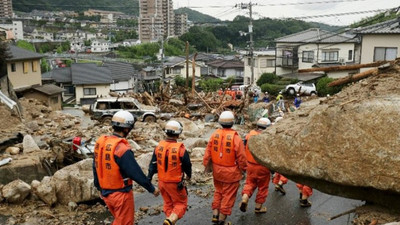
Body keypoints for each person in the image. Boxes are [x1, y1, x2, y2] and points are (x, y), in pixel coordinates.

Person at [93, 110, 159, 225]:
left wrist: (99, 187)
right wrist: (151, 188)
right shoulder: (121, 149)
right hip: (121, 194)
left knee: (119, 220)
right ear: (126, 129)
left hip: (106, 193)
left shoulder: (101, 144)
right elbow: (135, 172)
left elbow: (96, 167)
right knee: (125, 222)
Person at [203, 111, 247, 225]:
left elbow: (208, 152)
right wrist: (244, 169)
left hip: (217, 171)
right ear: (233, 122)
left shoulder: (214, 134)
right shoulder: (236, 138)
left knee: (218, 192)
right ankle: (222, 220)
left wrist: (207, 166)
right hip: (231, 173)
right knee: (228, 195)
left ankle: (215, 215)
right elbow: (241, 157)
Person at [148, 120, 192, 225]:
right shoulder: (180, 149)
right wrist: (189, 176)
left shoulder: (158, 147)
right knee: (181, 204)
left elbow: (152, 165)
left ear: (166, 132)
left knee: (168, 203)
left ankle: (169, 221)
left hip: (162, 182)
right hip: (175, 183)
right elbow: (187, 165)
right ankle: (170, 221)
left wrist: (149, 179)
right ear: (178, 134)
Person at [240, 118, 272, 214]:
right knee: (263, 187)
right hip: (263, 166)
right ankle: (258, 207)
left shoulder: (249, 135)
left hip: (250, 165)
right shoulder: (268, 137)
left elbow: (244, 148)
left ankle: (245, 197)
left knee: (249, 183)